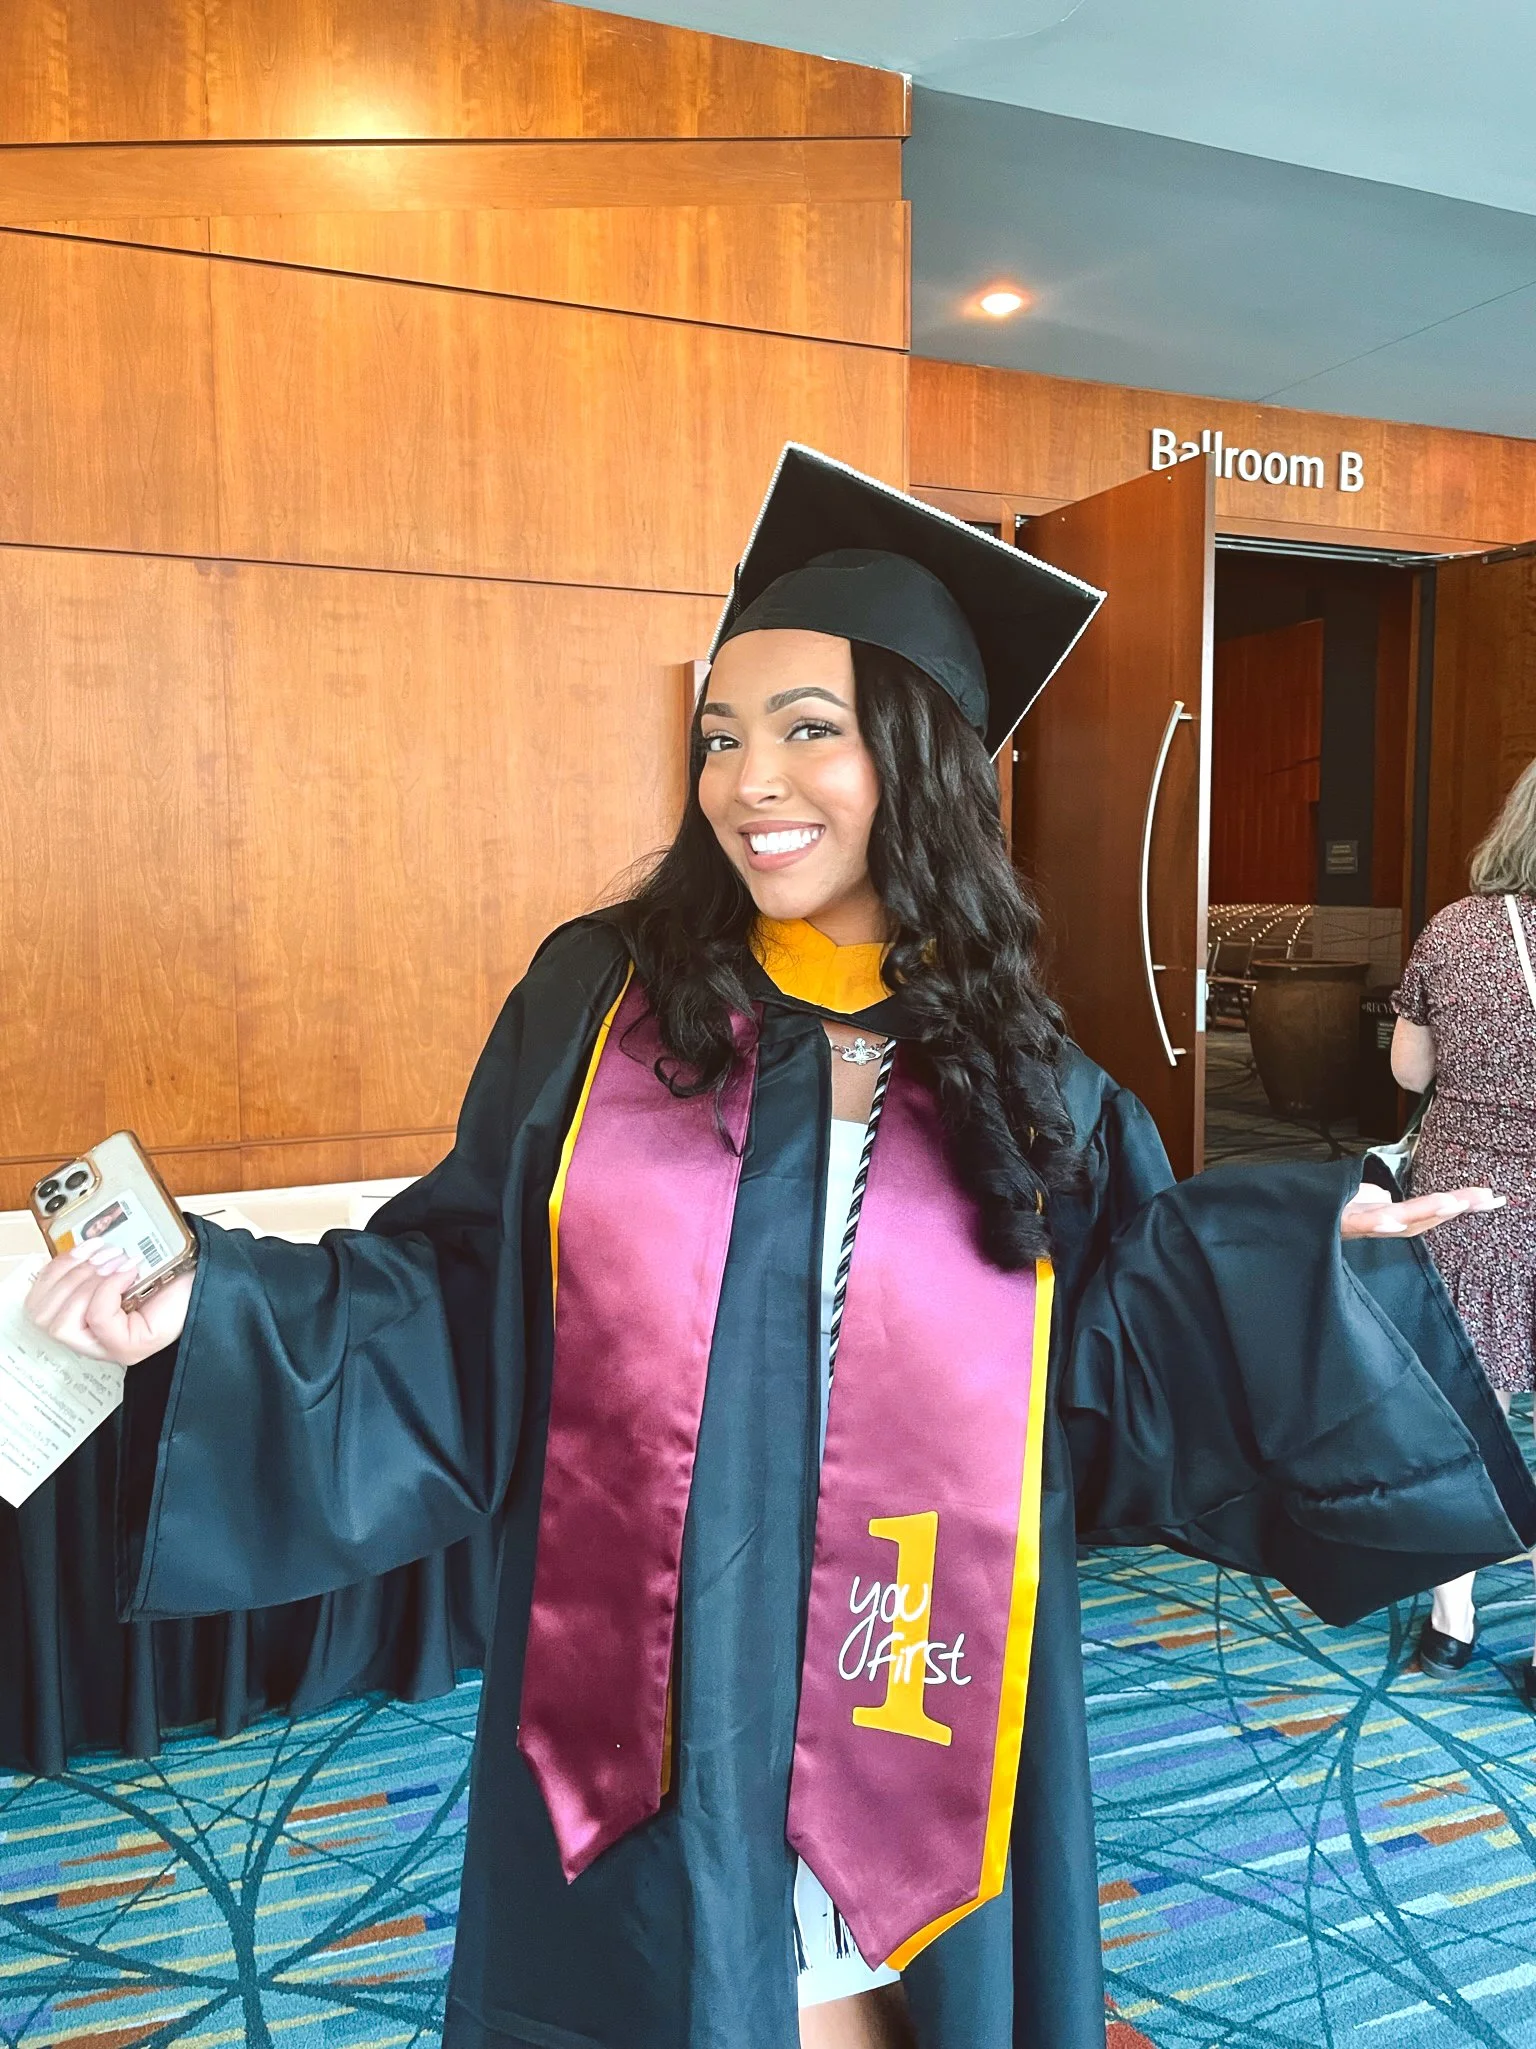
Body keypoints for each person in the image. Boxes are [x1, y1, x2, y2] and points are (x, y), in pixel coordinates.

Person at [25, 446, 1529, 2049]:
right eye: (721, 737)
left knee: (896, 1990)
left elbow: (1121, 1348)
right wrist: (212, 1301)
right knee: (698, 1983)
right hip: (669, 1638)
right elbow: (458, 1289)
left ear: (919, 761)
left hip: (910, 1642)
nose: (752, 780)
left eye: (811, 732)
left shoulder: (1024, 1066)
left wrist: (1315, 1253)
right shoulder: (604, 1007)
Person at [1394, 758, 1536, 1697]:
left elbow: (1410, 1073)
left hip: (1470, 1210)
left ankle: (1452, 1622)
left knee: (1466, 1411)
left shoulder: (1457, 929)